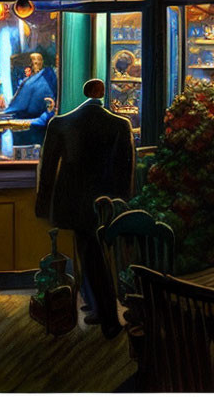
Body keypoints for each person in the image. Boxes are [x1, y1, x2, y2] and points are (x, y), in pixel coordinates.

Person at [35, 78, 135, 339]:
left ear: (84, 93)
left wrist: (43, 204)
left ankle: (107, 318)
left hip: (72, 201)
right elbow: (125, 170)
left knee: (90, 253)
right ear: (101, 94)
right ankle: (104, 315)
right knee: (94, 254)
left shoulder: (60, 123)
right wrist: (122, 202)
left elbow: (47, 169)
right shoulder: (119, 125)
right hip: (104, 201)